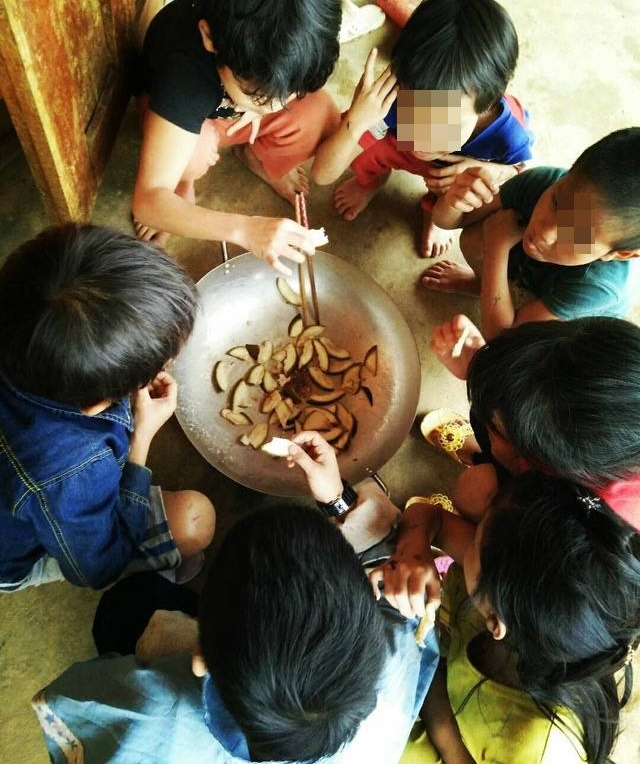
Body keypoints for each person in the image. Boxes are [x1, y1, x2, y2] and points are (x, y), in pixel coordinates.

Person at [33, 479, 438, 762]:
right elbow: (403, 558)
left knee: (126, 607)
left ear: (200, 658)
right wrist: (337, 497)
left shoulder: (147, 717)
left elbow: (71, 697)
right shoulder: (395, 668)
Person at [0, 224, 215, 591]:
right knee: (196, 520)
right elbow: (97, 568)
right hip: (15, 556)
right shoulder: (72, 471)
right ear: (97, 403)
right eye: (162, 363)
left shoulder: (16, 309)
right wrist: (140, 440)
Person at [371, 473, 640, 764]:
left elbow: (456, 755)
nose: (467, 537)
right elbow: (430, 515)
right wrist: (413, 551)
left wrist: (440, 721)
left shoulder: (535, 748)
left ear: (494, 622)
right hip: (441, 693)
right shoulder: (512, 588)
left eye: (474, 540)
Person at [132, 0, 341, 272]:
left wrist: (256, 108)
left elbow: (279, 95)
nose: (279, 105)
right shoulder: (184, 70)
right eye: (257, 94)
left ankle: (256, 155)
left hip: (229, 107)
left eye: (286, 93)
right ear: (209, 37)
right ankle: (183, 181)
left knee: (320, 114)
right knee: (193, 157)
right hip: (184, 116)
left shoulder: (285, 42)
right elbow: (146, 201)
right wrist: (245, 228)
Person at [311, 0, 533, 258]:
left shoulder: (510, 135)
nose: (422, 139)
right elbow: (322, 175)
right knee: (363, 147)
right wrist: (355, 123)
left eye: (447, 123)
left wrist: (491, 170)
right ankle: (371, 181)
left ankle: (433, 207)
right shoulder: (389, 99)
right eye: (414, 114)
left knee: (471, 187)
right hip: (396, 147)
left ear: (486, 105)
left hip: (448, 174)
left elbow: (519, 172)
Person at [423, 127, 640, 338]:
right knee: (474, 238)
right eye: (556, 202)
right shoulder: (543, 181)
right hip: (535, 273)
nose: (544, 231)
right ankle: (482, 286)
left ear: (621, 254)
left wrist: (497, 248)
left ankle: (502, 292)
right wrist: (454, 200)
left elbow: (502, 338)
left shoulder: (599, 288)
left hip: (564, 318)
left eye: (577, 233)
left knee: (537, 345)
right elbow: (448, 222)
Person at [426, 314, 640, 525]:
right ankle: (479, 455)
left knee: (473, 491)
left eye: (498, 430)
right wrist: (481, 364)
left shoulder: (587, 522)